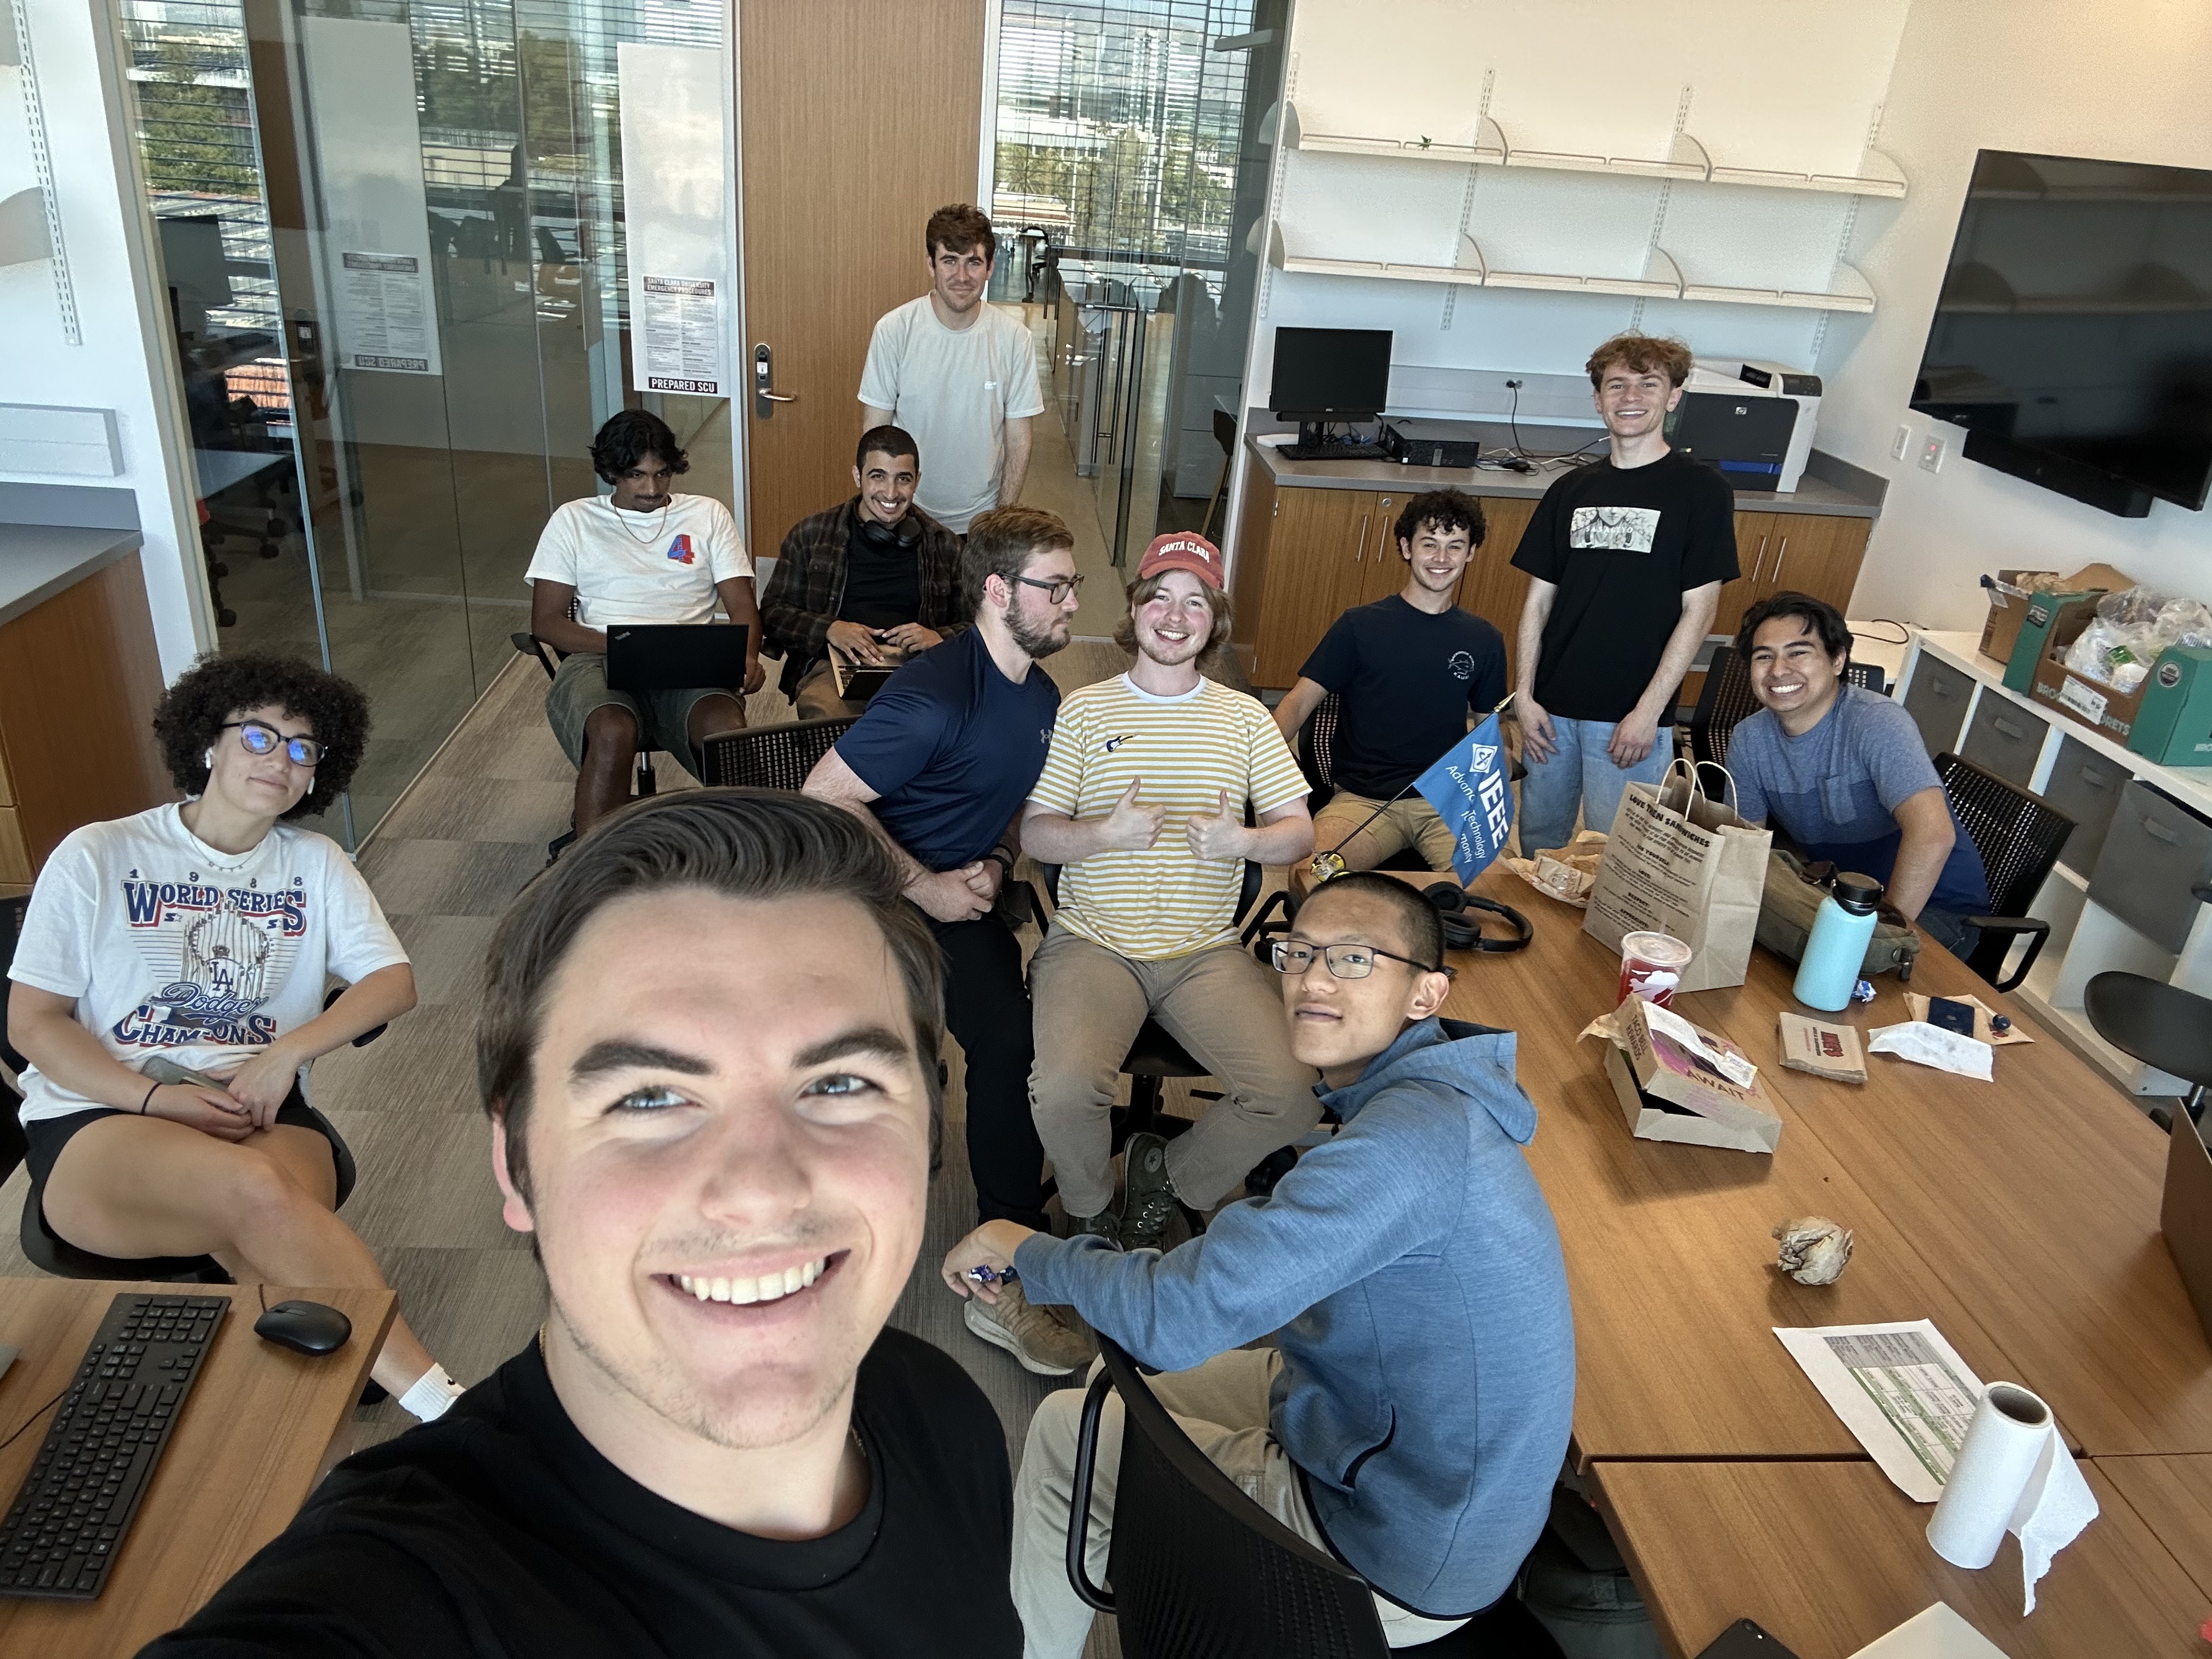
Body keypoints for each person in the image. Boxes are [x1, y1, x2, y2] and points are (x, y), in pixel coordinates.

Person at [144, 791, 1024, 1657]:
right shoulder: (396, 1598)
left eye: (839, 1084)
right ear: (516, 1162)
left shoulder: (941, 1416)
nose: (760, 1191)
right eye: (649, 1097)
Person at [943, 871, 1576, 1657]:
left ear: (1427, 995)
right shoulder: (1432, 1098)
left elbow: (1173, 1322)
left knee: (1070, 1431)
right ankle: (1150, 1561)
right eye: (1299, 952)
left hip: (1391, 1543)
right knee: (1111, 1392)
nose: (1312, 978)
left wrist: (1027, 1249)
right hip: (1376, 1431)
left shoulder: (1402, 1148)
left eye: (1354, 960)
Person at [6, 653, 462, 1420]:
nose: (279, 760)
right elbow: (32, 1023)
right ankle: (449, 1413)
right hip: (104, 1115)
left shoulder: (316, 864)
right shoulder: (99, 853)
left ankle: (273, 1430)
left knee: (274, 1231)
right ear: (208, 744)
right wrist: (155, 1099)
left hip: (259, 1107)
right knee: (261, 1200)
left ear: (316, 775)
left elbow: (394, 983)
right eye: (258, 736)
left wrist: (284, 1054)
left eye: (301, 749)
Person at [801, 506, 1091, 1377]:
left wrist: (997, 863)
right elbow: (823, 798)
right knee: (882, 1056)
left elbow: (1013, 807)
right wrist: (925, 882)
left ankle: (1010, 1256)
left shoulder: (1041, 697)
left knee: (1009, 1044)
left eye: (1073, 585)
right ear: (998, 592)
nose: (1074, 604)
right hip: (875, 903)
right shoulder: (935, 693)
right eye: (1057, 587)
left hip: (962, 898)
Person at [1022, 532, 1317, 1264]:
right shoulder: (1084, 710)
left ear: (1214, 621)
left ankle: (1166, 1179)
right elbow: (1037, 835)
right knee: (1062, 1091)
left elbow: (1299, 833)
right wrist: (1104, 835)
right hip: (1094, 944)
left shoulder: (1245, 719)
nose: (1176, 616)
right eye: (1161, 597)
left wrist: (1243, 843)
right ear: (1135, 609)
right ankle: (1091, 1213)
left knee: (1293, 1092)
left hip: (1204, 953)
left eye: (1196, 602)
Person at [1511, 332, 1739, 856]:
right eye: (1617, 385)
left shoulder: (1701, 491)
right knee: (1538, 846)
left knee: (1620, 858)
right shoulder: (1569, 490)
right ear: (1598, 399)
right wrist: (1524, 696)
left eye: (1648, 384)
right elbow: (1537, 604)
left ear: (1673, 396)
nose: (1630, 397)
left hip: (1632, 717)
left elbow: (1699, 611)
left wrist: (1649, 712)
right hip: (1551, 712)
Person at [524, 409, 763, 834]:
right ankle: (593, 863)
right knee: (613, 731)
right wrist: (622, 647)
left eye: (662, 474)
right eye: (637, 475)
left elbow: (743, 607)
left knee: (727, 733)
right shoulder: (573, 521)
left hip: (688, 658)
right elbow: (546, 621)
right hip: (600, 654)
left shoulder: (707, 515)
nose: (651, 489)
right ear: (612, 472)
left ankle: (735, 851)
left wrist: (746, 656)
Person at [1729, 591, 1992, 955]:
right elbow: (1745, 848)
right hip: (1842, 896)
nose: (1778, 670)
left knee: (1825, 972)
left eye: (1798, 652)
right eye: (1764, 657)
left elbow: (1933, 836)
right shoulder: (1749, 740)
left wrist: (1880, 935)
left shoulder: (1877, 723)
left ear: (1838, 660)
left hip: (1935, 907)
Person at [1272, 489, 1508, 891]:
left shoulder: (1484, 639)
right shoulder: (1359, 626)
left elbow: (1493, 733)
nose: (1441, 558)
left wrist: (1489, 796)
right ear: (1405, 547)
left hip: (1447, 802)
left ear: (1471, 554)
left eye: (1455, 547)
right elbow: (1295, 706)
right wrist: (1261, 774)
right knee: (1315, 882)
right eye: (1429, 544)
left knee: (1496, 895)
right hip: (1363, 802)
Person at [859, 204, 1044, 534]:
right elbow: (876, 436)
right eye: (950, 261)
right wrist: (878, 519)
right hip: (905, 517)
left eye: (973, 262)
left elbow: (1019, 440)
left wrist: (1000, 524)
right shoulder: (894, 330)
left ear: (990, 267)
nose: (962, 277)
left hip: (980, 522)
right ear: (931, 265)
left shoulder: (1015, 339)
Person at [762, 425, 967, 720]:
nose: (891, 493)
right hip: (834, 669)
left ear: (917, 481)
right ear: (858, 476)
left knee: (942, 728)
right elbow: (773, 613)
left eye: (903, 479)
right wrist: (831, 629)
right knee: (828, 723)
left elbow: (982, 624)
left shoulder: (945, 545)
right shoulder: (812, 534)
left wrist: (938, 637)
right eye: (878, 476)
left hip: (918, 671)